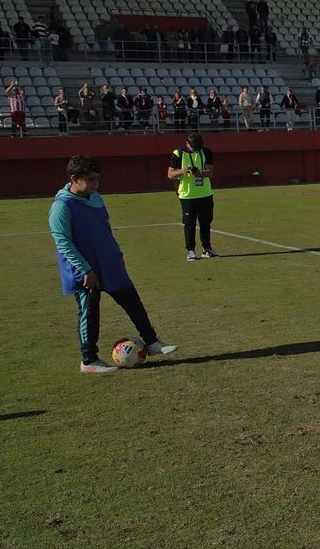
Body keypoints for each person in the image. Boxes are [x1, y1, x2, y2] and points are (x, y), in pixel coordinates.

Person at [49, 155, 179, 374]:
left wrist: (116, 252)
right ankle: (89, 360)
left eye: (97, 179)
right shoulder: (62, 206)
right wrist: (86, 269)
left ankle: (152, 342)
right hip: (85, 270)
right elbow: (63, 242)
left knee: (133, 302)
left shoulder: (96, 198)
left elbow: (105, 228)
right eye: (90, 180)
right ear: (74, 179)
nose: (95, 184)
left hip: (109, 263)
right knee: (90, 313)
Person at [168, 132, 217, 261]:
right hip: (187, 195)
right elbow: (170, 174)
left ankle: (207, 248)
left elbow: (210, 172)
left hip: (205, 194)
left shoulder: (206, 152)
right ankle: (191, 250)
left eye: (198, 148)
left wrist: (198, 172)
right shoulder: (178, 153)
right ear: (187, 144)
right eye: (193, 148)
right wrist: (183, 171)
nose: (196, 150)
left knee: (206, 222)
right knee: (189, 224)